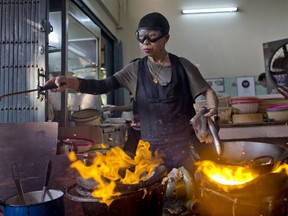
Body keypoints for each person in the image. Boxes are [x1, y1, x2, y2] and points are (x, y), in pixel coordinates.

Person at [45, 12, 218, 173]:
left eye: (152, 36)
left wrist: (212, 110)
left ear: (166, 38)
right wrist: (70, 82)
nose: (145, 42)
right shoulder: (134, 70)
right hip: (152, 152)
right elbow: (101, 86)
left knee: (192, 193)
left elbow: (208, 91)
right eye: (141, 36)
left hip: (185, 148)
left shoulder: (182, 65)